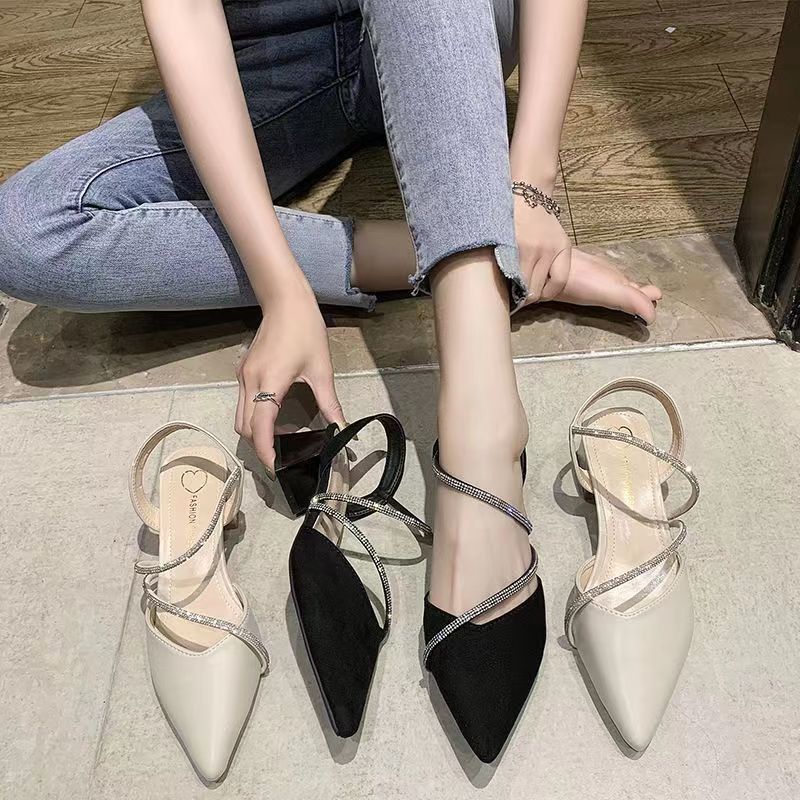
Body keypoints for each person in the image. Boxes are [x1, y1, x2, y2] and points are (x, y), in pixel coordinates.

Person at [0, 0, 661, 758]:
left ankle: (484, 434)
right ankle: (459, 248)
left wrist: (531, 183)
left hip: (449, 25)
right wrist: (281, 288)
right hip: (273, 60)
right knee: (25, 232)